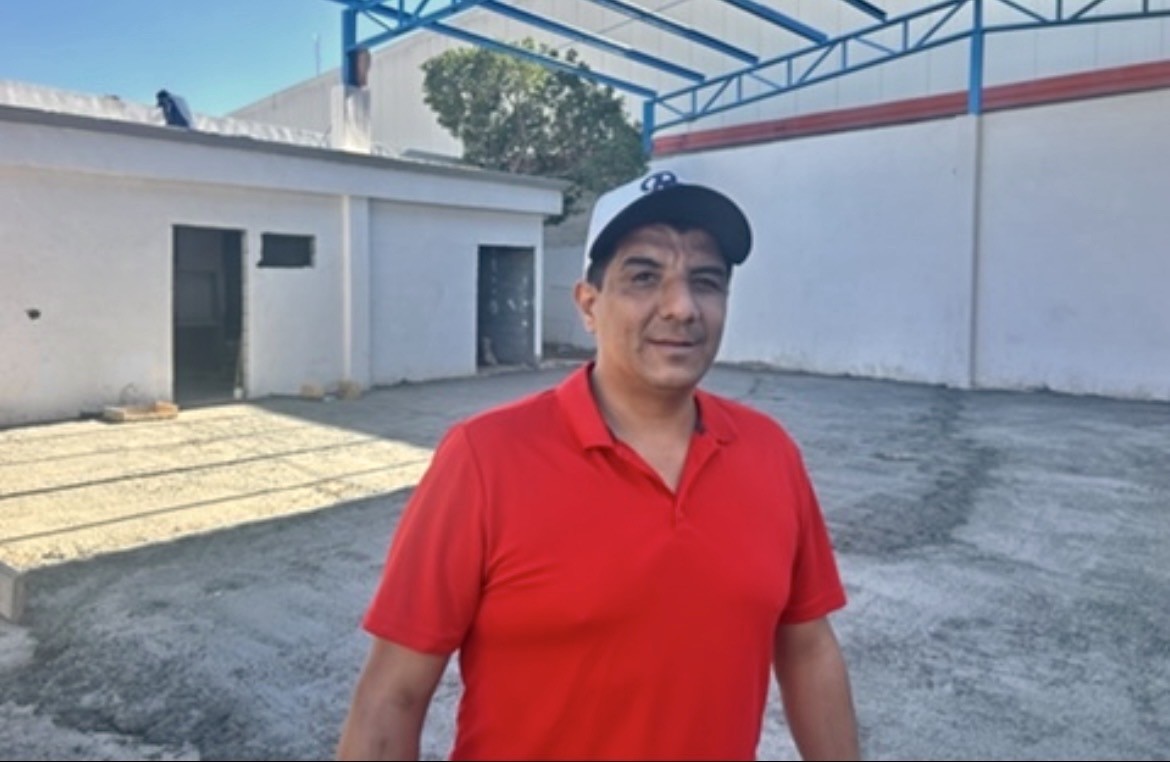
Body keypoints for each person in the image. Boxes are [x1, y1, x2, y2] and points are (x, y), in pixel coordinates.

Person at [336, 168, 860, 761]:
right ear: (589, 304)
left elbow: (808, 649)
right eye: (644, 277)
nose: (682, 307)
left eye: (706, 281)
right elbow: (392, 697)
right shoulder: (485, 459)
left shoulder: (770, 453)